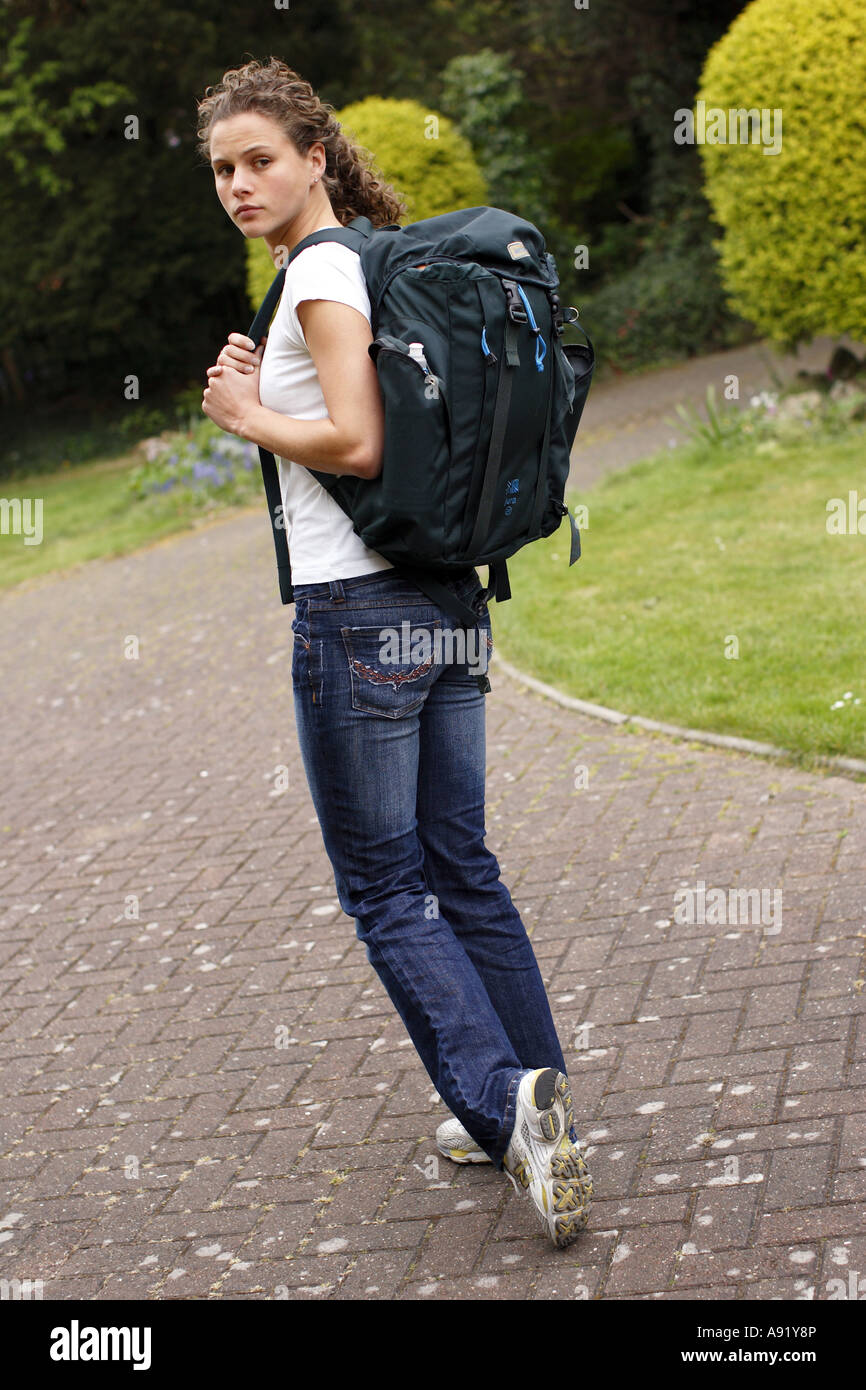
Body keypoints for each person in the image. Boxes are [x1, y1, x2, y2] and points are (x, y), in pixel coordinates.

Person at [196, 56, 593, 1248]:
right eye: (221, 168)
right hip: (442, 605)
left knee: (382, 888)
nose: (238, 183)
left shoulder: (323, 270)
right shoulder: (367, 258)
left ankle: (494, 1100)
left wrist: (247, 417)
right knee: (458, 861)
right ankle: (538, 1100)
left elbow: (358, 443)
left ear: (316, 157)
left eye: (259, 158)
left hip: (357, 618)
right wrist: (264, 405)